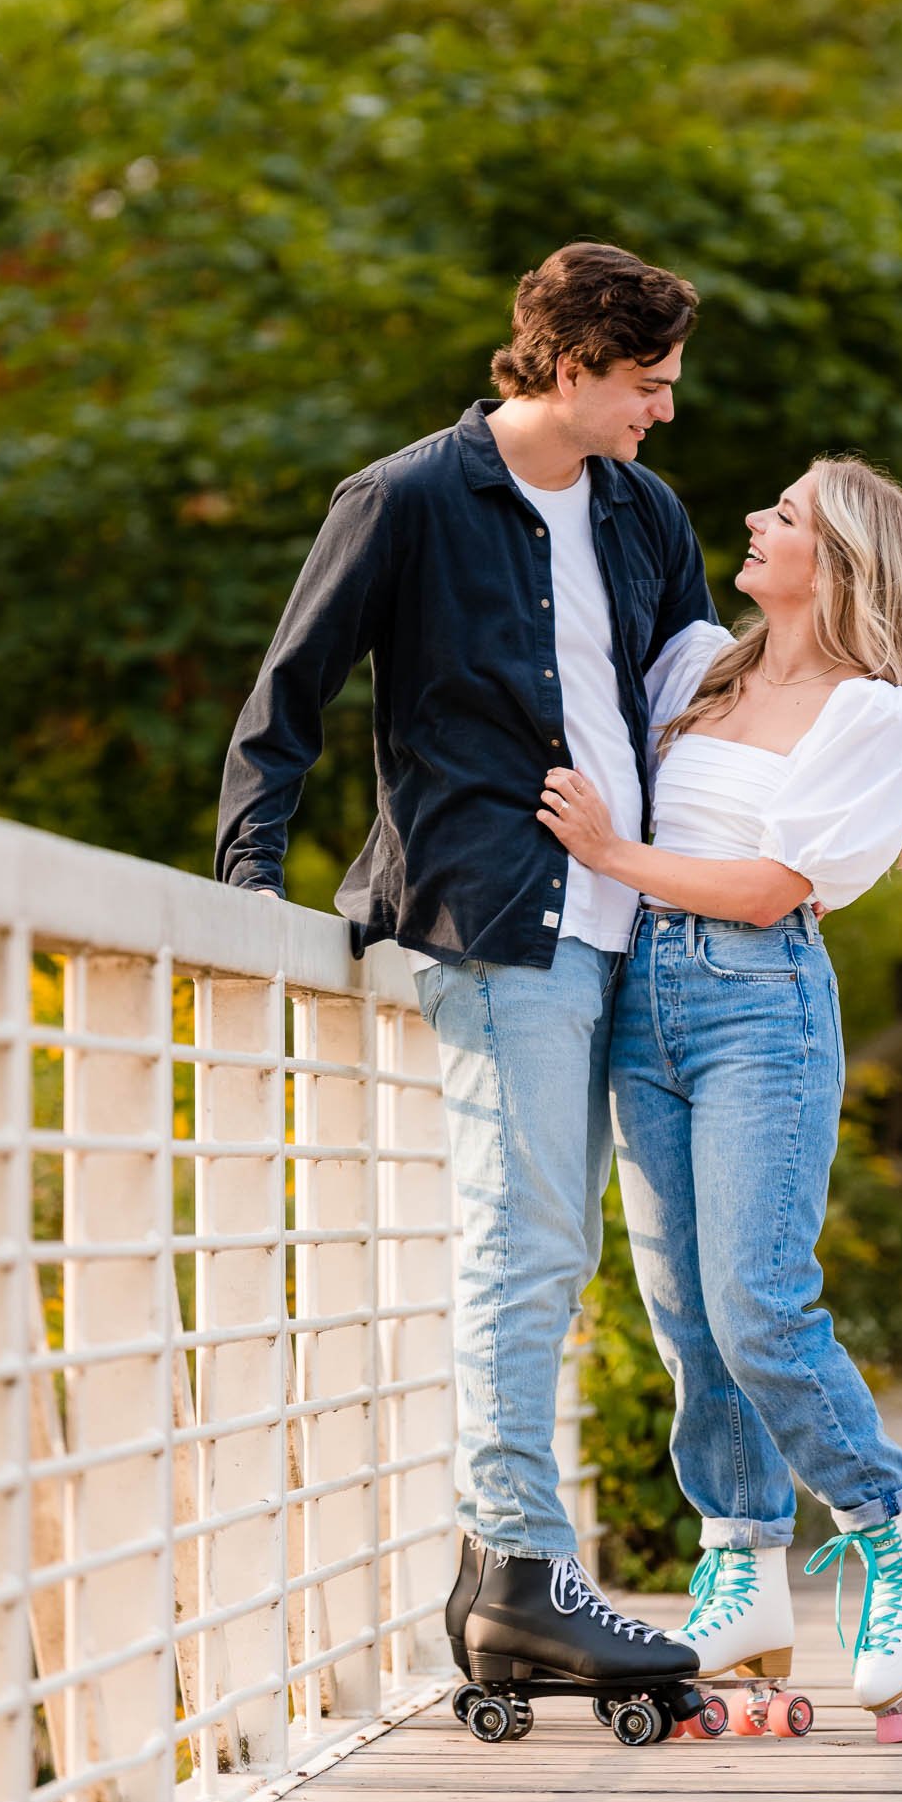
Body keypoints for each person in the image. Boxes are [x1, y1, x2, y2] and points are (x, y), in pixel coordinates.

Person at [215, 241, 703, 1698]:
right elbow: (283, 700)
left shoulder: (641, 509)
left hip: (642, 917)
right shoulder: (407, 498)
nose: (661, 412)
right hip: (496, 918)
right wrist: (249, 885)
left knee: (596, 1251)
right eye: (646, 384)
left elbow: (688, 699)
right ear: (570, 367)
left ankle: (513, 1578)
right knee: (526, 1234)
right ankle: (514, 1573)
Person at [536, 455, 902, 1739]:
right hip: (644, 1005)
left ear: (840, 562)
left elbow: (764, 886)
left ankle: (893, 1534)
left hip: (758, 1004)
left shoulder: (876, 713)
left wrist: (609, 855)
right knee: (685, 1316)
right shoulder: (699, 670)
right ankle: (739, 1566)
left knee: (758, 1302)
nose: (751, 518)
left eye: (784, 514)